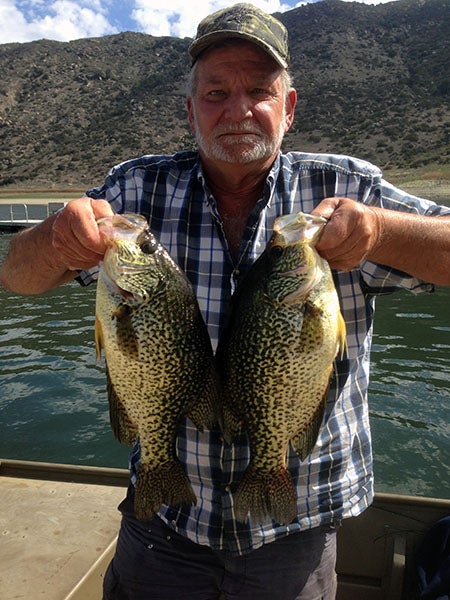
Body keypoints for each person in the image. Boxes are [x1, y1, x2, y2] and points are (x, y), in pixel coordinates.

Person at [1, 3, 450, 599]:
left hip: (298, 519)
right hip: (162, 524)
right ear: (190, 111)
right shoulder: (135, 189)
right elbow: (18, 277)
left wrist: (382, 231)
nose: (237, 110)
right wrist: (56, 238)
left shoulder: (350, 189)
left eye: (259, 91)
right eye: (215, 92)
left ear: (288, 108)